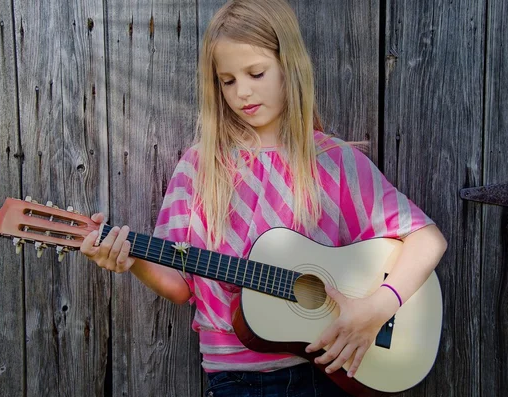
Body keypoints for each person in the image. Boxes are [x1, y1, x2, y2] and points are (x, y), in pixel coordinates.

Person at [80, 0, 448, 395]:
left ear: (289, 65)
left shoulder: (332, 161)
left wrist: (377, 308)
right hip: (233, 379)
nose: (243, 92)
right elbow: (181, 284)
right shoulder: (200, 167)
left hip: (326, 370)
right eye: (228, 80)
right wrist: (132, 259)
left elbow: (428, 239)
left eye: (256, 73)